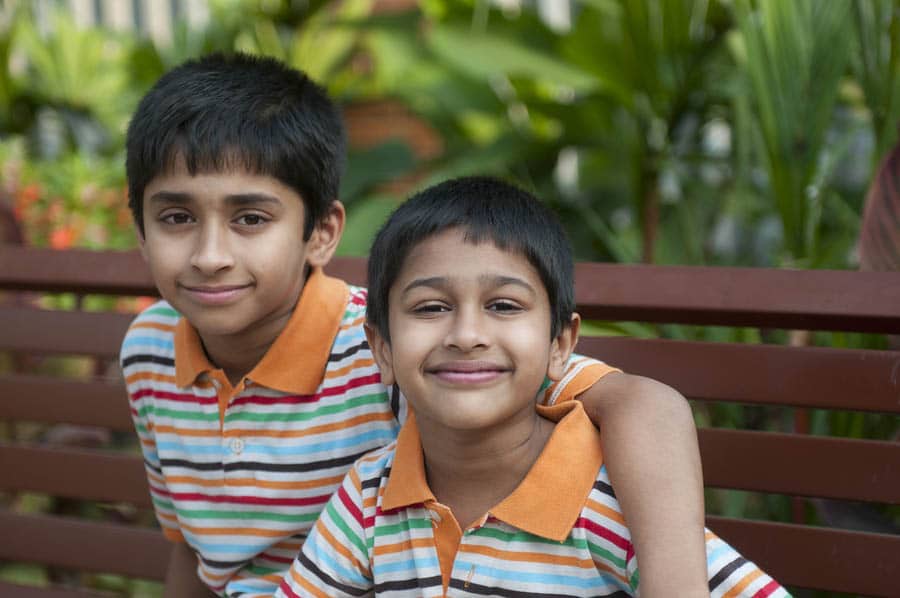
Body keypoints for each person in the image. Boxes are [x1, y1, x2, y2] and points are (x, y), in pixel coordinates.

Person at [121, 53, 707, 597]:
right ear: (141, 230)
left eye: (250, 218)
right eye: (176, 217)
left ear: (322, 233)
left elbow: (644, 406)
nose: (210, 256)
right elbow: (194, 547)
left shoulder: (403, 343)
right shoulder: (148, 351)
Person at [276, 176, 786, 597]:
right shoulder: (370, 494)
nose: (467, 335)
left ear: (560, 345)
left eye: (504, 305)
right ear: (382, 348)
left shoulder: (608, 503)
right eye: (430, 307)